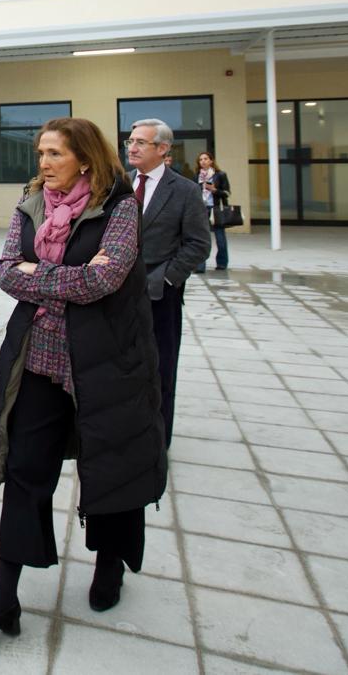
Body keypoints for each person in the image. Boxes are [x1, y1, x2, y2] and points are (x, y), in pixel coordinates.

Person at [0, 117, 166, 638]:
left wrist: (41, 276)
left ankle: (109, 563)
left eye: (54, 154)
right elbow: (7, 270)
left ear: (85, 160)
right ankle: (4, 596)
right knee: (25, 472)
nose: (43, 164)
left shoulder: (119, 207)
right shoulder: (32, 204)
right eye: (40, 154)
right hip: (36, 359)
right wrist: (55, 279)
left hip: (104, 363)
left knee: (109, 464)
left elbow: (105, 277)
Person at [125, 118, 210, 449]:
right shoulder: (121, 184)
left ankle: (157, 442)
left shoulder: (185, 190)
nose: (132, 147)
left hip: (160, 295)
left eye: (140, 143)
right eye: (130, 141)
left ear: (162, 149)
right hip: (118, 294)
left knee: (160, 370)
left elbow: (198, 245)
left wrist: (167, 278)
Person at [195, 151, 231, 272]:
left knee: (220, 238)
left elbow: (227, 193)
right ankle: (200, 266)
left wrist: (214, 190)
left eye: (205, 159)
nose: (203, 161)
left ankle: (222, 263)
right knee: (201, 238)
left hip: (215, 209)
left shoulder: (220, 175)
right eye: (201, 159)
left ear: (211, 161)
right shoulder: (197, 176)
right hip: (201, 209)